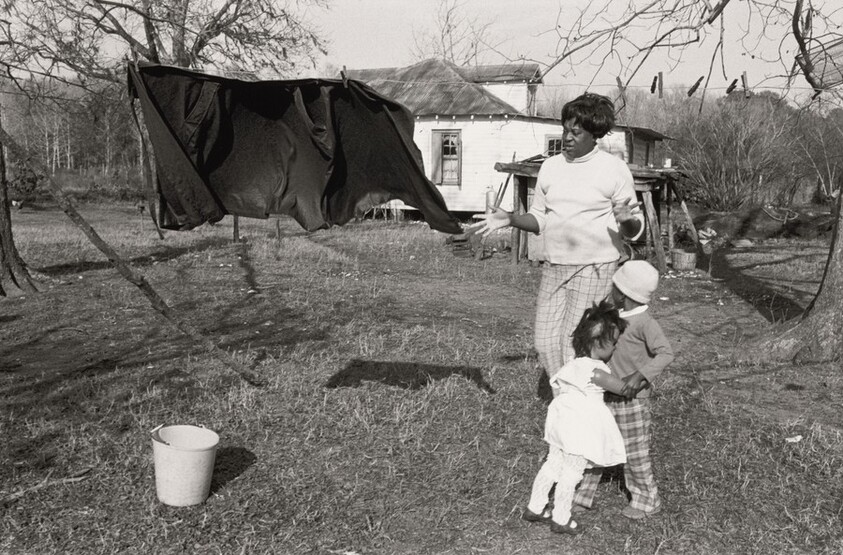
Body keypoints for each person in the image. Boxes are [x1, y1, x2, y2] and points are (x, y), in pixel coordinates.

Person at [469, 92, 644, 386]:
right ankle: (570, 396)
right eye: (565, 129)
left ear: (594, 134)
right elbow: (539, 218)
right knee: (545, 342)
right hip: (555, 265)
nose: (567, 137)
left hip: (595, 267)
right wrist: (510, 218)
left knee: (571, 343)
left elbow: (634, 231)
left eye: (576, 131)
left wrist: (627, 220)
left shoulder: (614, 169)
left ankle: (574, 404)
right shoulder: (550, 167)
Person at [572, 260, 674, 520]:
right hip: (603, 396)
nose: (611, 290)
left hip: (632, 402)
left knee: (634, 453)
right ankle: (582, 496)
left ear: (624, 293)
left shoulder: (645, 323)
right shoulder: (612, 318)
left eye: (615, 286)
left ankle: (646, 501)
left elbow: (666, 353)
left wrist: (640, 375)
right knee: (593, 445)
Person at [521, 300, 629, 535]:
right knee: (571, 473)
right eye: (613, 343)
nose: (615, 348)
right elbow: (622, 389)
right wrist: (637, 379)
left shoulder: (572, 364)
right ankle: (561, 517)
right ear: (598, 344)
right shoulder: (598, 371)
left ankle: (535, 506)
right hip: (579, 427)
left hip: (560, 422)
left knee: (552, 464)